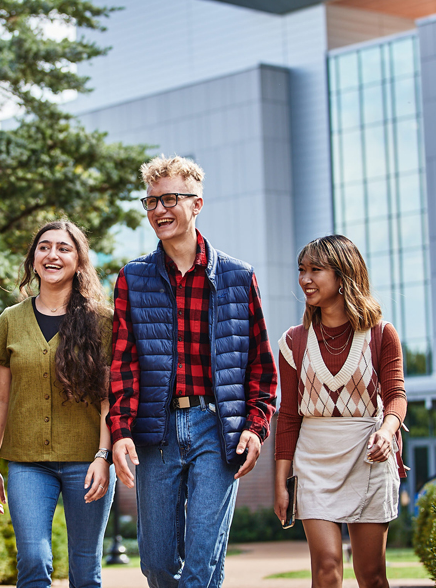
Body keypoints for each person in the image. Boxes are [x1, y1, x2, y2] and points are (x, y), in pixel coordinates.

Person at [108, 155, 279, 588]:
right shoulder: (133, 278)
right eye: (151, 203)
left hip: (217, 428)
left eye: (170, 199)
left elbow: (259, 363)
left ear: (197, 203)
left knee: (201, 566)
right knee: (158, 564)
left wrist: (255, 427)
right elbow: (124, 362)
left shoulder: (239, 277)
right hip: (156, 431)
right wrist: (121, 430)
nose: (159, 211)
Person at [0, 221, 115, 588]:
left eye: (63, 248)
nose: (52, 255)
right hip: (27, 463)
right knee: (33, 560)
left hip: (88, 461)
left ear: (78, 261)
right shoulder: (10, 321)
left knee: (85, 569)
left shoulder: (102, 322)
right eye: (44, 247)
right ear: (33, 258)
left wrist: (103, 457)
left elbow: (110, 399)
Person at [274, 234, 407, 588]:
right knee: (327, 569)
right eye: (302, 270)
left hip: (369, 456)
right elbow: (288, 415)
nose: (305, 279)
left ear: (343, 274)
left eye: (316, 270)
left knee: (372, 576)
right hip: (313, 462)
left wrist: (387, 431)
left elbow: (396, 396)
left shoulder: (381, 333)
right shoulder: (292, 341)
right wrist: (281, 480)